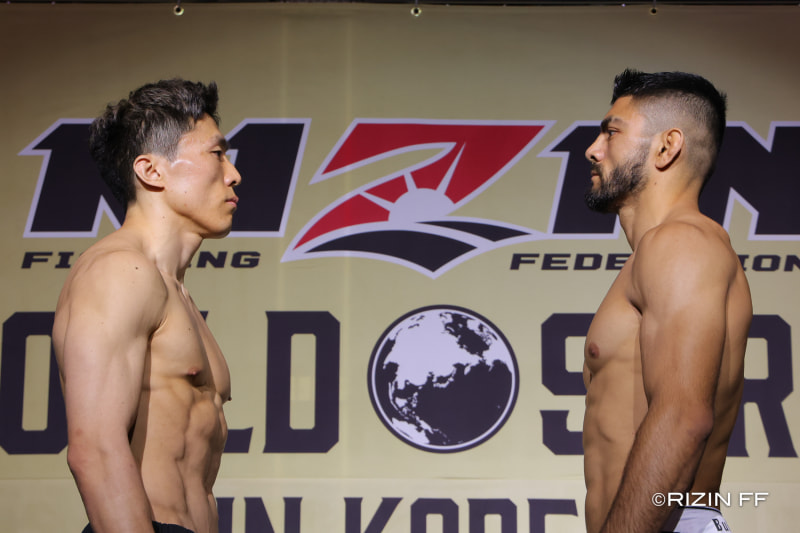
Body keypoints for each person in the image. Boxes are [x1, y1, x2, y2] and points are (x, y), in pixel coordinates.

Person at [52, 79, 241, 533]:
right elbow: (95, 449)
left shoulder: (173, 290)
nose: (234, 174)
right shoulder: (119, 271)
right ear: (152, 171)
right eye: (217, 154)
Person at [581, 69, 752, 533]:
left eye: (611, 132)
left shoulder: (680, 242)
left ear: (667, 146)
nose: (593, 149)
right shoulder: (653, 255)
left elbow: (683, 418)